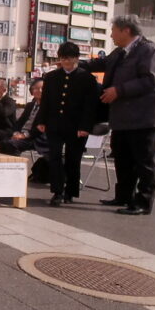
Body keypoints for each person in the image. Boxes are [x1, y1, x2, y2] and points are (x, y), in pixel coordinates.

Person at [82, 15, 155, 216]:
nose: (111, 35)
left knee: (145, 162)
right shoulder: (120, 52)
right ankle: (123, 196)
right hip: (123, 117)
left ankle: (143, 202)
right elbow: (103, 63)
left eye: (113, 30)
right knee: (123, 159)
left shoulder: (148, 50)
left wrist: (119, 90)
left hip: (146, 118)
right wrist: (75, 63)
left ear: (126, 31)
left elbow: (151, 80)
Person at [37, 42, 100, 206]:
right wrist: (42, 120)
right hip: (55, 124)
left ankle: (70, 191)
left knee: (73, 159)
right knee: (55, 157)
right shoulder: (51, 77)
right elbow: (45, 101)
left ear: (77, 58)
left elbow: (90, 106)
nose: (66, 61)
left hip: (76, 126)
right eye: (63, 58)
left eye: (70, 58)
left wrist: (85, 127)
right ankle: (57, 191)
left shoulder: (87, 78)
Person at [0, 79, 45, 155]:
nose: (39, 91)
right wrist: (16, 133)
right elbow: (19, 122)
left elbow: (40, 128)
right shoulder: (30, 105)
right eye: (36, 88)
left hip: (36, 138)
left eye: (42, 88)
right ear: (32, 90)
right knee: (3, 142)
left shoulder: (49, 107)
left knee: (11, 144)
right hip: (22, 135)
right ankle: (4, 163)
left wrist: (24, 135)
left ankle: (15, 163)